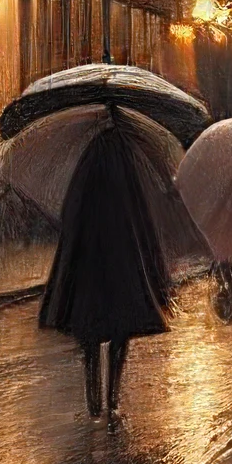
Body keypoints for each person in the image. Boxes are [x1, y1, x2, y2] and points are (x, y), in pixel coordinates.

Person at [42, 103, 175, 423]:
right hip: (121, 260)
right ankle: (112, 398)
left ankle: (93, 400)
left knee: (90, 337)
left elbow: (70, 213)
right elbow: (142, 214)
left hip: (90, 259)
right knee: (119, 333)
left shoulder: (90, 157)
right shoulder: (127, 157)